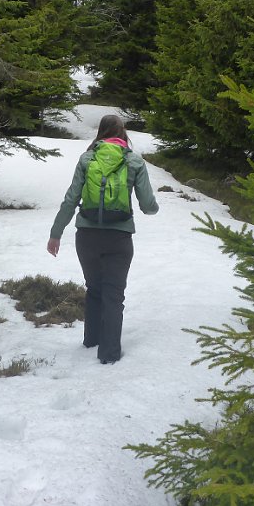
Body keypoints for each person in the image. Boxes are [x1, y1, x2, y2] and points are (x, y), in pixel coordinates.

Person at [47, 114, 159, 364]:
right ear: (123, 133)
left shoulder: (87, 158)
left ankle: (91, 341)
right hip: (119, 238)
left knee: (94, 288)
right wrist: (153, 208)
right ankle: (108, 355)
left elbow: (71, 199)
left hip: (86, 236)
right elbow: (148, 205)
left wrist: (56, 234)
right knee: (113, 294)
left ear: (101, 132)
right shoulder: (134, 161)